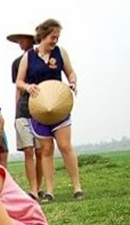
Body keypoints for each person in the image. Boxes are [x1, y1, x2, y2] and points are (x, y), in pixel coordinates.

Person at [15, 18, 83, 201]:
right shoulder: (28, 56)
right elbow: (19, 82)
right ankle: (50, 191)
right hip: (39, 110)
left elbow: (71, 72)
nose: (55, 41)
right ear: (43, 36)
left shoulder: (61, 53)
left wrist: (73, 82)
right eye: (53, 37)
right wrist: (28, 87)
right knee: (46, 150)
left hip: (59, 107)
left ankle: (77, 187)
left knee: (65, 146)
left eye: (57, 37)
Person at [8, 30, 44, 201]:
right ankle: (33, 189)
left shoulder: (42, 60)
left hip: (40, 108)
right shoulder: (16, 63)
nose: (20, 43)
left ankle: (40, 186)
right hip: (23, 109)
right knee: (28, 150)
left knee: (40, 150)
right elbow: (18, 87)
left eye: (22, 39)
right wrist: (16, 111)